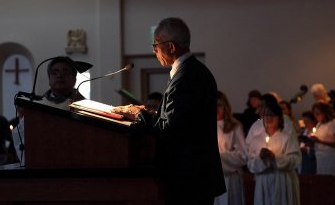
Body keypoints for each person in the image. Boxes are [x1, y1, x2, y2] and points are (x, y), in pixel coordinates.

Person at [111, 17, 226, 204]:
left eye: (156, 44)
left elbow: (169, 129)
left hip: (188, 177)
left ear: (171, 47)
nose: (153, 50)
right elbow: (181, 119)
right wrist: (151, 113)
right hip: (194, 175)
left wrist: (136, 114)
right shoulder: (194, 70)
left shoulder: (186, 77)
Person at [12, 56, 93, 165]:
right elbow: (20, 137)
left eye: (65, 72)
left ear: (74, 79)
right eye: (55, 73)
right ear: (49, 80)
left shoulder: (86, 107)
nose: (60, 76)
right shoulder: (38, 106)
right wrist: (24, 119)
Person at [246, 103, 301, 205]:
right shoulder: (256, 139)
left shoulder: (286, 137)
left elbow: (295, 159)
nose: (269, 118)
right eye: (267, 115)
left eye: (273, 115)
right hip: (263, 181)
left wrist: (275, 158)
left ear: (279, 118)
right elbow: (250, 163)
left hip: (281, 181)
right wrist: (261, 159)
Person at [215, 91, 247, 205]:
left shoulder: (234, 127)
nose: (215, 109)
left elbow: (243, 155)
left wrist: (221, 157)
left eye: (218, 105)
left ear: (225, 106)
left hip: (230, 178)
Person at [310, 102, 335, 176]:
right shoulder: (319, 125)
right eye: (314, 114)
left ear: (325, 113)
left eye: (318, 114)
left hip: (330, 157)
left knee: (330, 179)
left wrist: (319, 141)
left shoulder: (333, 124)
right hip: (320, 157)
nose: (316, 116)